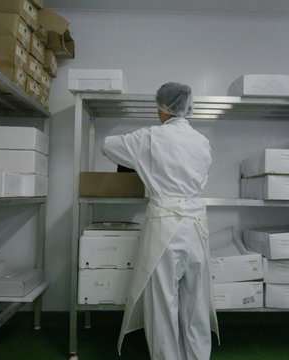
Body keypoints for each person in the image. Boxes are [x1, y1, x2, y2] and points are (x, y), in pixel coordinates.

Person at [102, 82, 219, 360]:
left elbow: (108, 146)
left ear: (161, 108)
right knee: (196, 299)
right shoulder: (202, 141)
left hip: (165, 224)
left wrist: (143, 162)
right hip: (196, 225)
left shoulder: (149, 138)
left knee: (163, 300)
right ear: (187, 107)